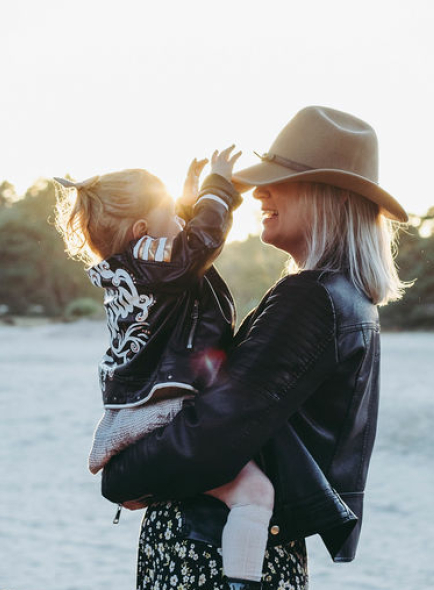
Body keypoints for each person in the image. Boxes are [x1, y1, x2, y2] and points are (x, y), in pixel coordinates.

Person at [100, 106, 410, 590]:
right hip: (248, 550)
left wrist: (118, 474)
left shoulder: (311, 298)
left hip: (209, 557)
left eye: (278, 181)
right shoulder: (348, 298)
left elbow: (210, 438)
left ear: (327, 197)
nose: (261, 192)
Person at [53, 147, 278, 589]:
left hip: (139, 403)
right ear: (142, 232)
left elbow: (184, 244)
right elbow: (200, 243)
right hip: (166, 403)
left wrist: (188, 200)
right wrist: (217, 187)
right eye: (169, 214)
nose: (180, 220)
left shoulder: (135, 269)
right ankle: (243, 582)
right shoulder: (156, 262)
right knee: (255, 494)